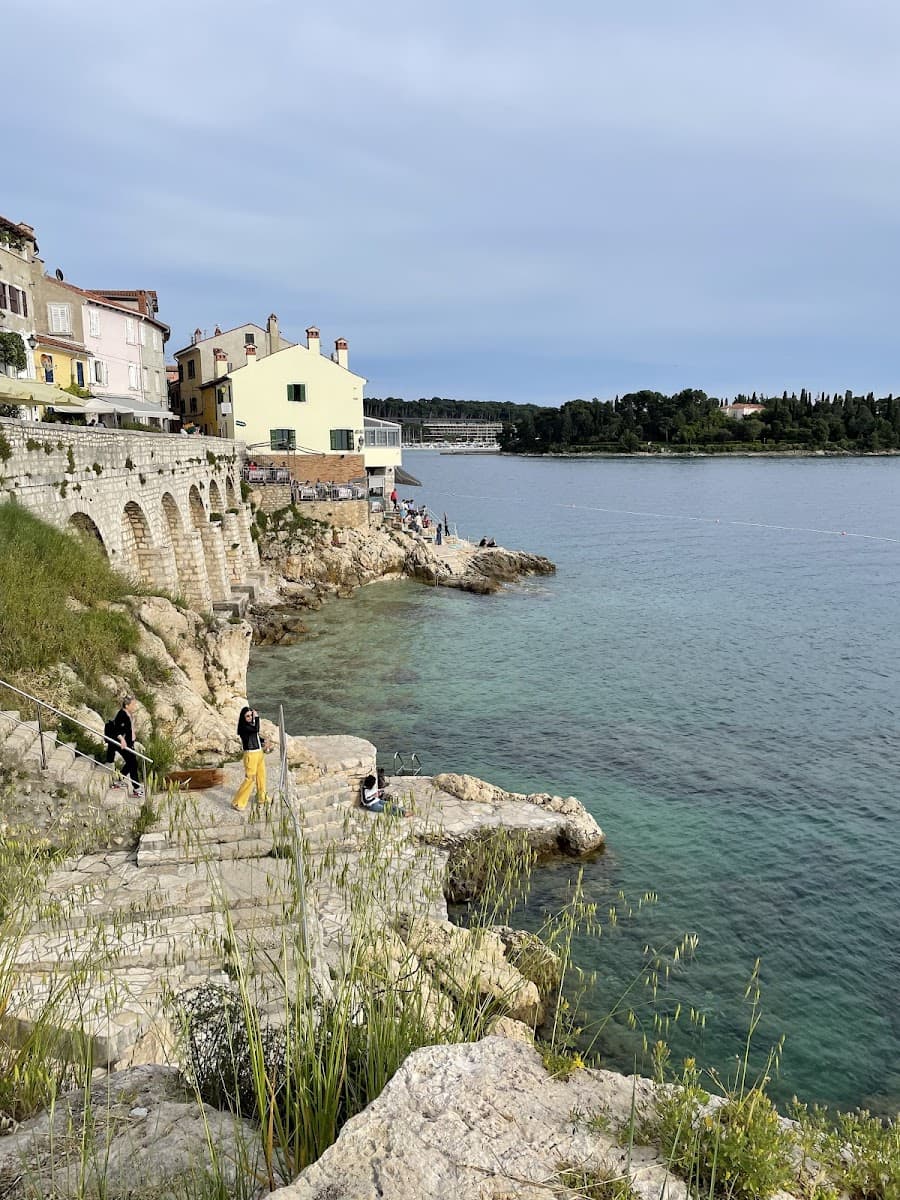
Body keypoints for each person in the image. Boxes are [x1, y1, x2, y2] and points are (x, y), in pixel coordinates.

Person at [232, 705, 270, 811]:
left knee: (261, 776)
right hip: (250, 755)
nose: (250, 718)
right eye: (247, 716)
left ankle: (262, 797)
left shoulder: (250, 726)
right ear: (243, 718)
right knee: (250, 779)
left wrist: (263, 742)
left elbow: (255, 736)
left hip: (259, 753)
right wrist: (257, 718)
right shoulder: (244, 727)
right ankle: (237, 802)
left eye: (251, 715)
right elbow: (255, 730)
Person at [106, 696, 144, 798]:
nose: (135, 706)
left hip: (129, 743)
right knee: (133, 763)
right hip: (122, 744)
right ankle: (136, 789)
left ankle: (119, 780)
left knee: (131, 762)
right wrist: (122, 740)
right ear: (127, 705)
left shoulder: (128, 714)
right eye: (133, 704)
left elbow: (128, 728)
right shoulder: (122, 714)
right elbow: (116, 729)